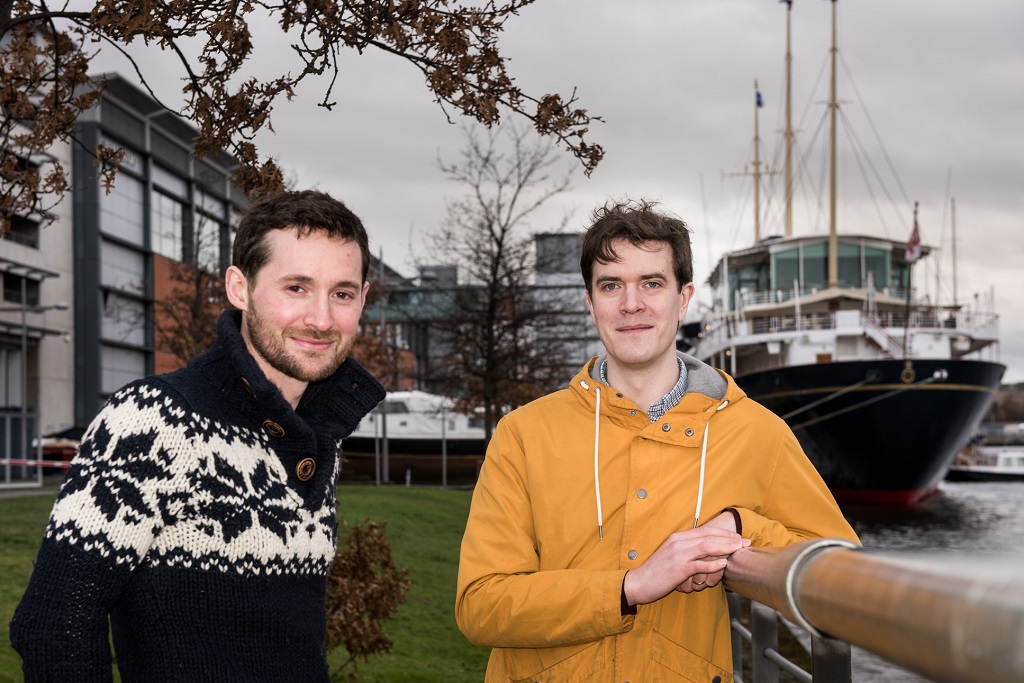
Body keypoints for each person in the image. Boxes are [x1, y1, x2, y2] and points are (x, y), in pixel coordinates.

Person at [455, 199, 859, 683]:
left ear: (683, 299)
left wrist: (739, 527)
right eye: (611, 286)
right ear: (590, 302)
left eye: (652, 283)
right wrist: (629, 587)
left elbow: (843, 572)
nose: (631, 305)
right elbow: (481, 605)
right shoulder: (523, 434)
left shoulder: (756, 433)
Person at [10, 190, 386, 682]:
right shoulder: (155, 419)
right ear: (239, 288)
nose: (321, 318)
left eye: (342, 293)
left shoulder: (314, 437)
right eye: (296, 287)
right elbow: (52, 625)